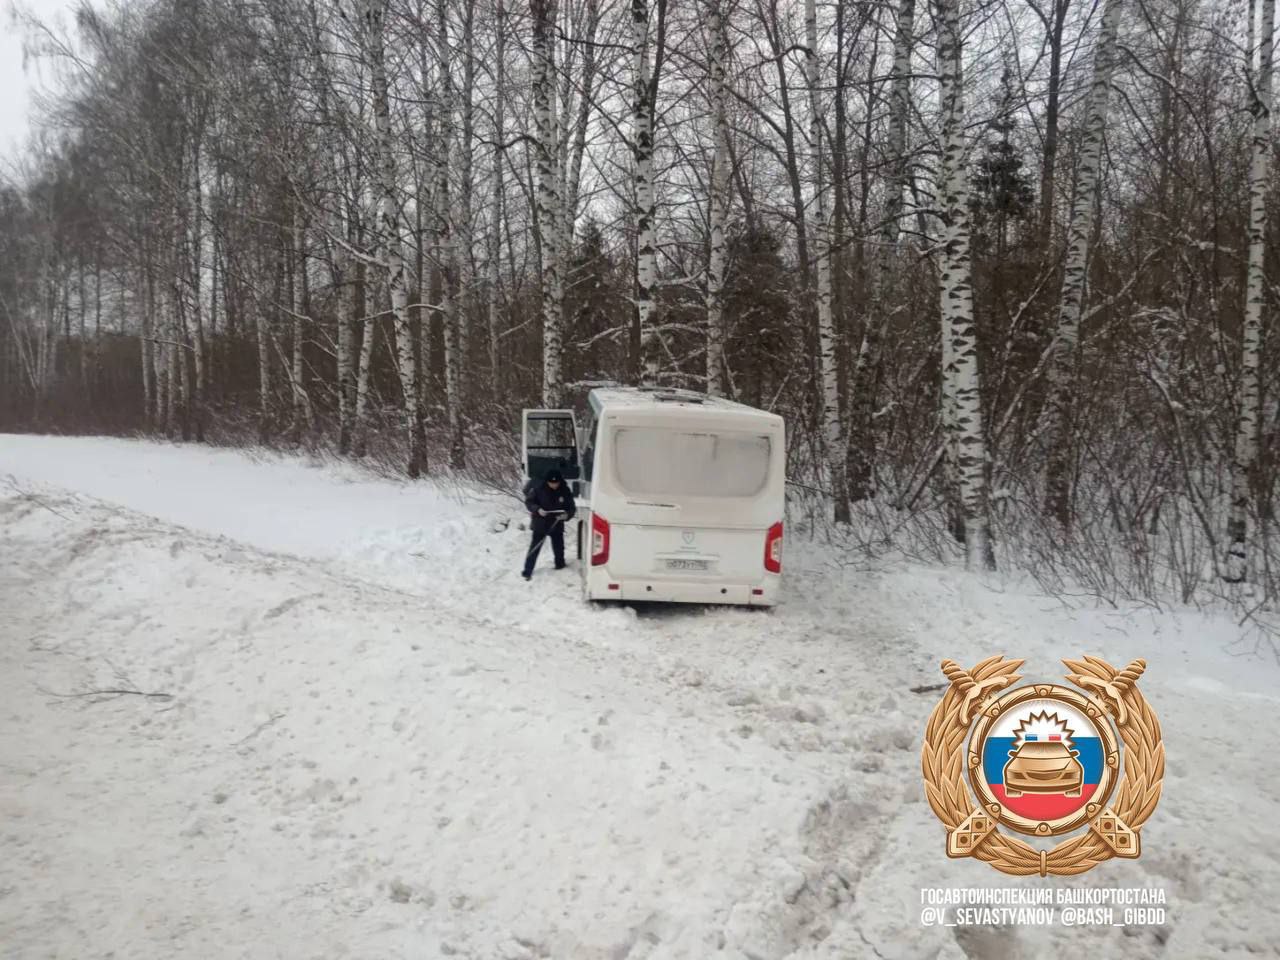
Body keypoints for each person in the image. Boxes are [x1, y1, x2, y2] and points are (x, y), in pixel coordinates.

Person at [522, 468, 576, 580]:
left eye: (556, 483)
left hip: (557, 522)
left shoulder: (565, 490)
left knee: (559, 547)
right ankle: (528, 570)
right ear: (547, 481)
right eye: (551, 483)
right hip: (540, 523)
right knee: (535, 547)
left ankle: (560, 565)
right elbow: (529, 502)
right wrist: (537, 509)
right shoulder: (538, 489)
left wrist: (566, 515)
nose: (554, 485)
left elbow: (571, 507)